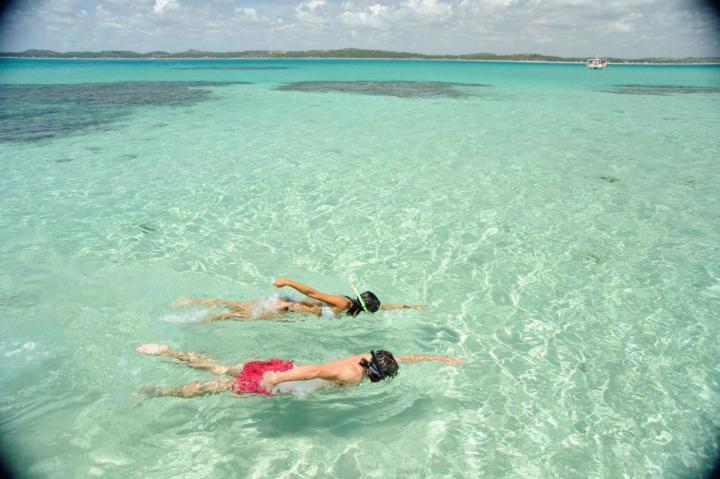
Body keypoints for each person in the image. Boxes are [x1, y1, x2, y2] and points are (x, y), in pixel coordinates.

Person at [136, 344, 464, 398]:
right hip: (285, 380)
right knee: (217, 386)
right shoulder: (352, 376)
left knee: (221, 367)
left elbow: (400, 357)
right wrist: (277, 380)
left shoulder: (365, 357)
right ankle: (159, 392)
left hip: (285, 365)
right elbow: (317, 371)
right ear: (375, 374)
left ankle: (168, 352)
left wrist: (436, 358)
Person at [172, 277, 423, 322]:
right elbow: (312, 294)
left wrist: (407, 307)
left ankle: (197, 304)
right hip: (284, 307)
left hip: (286, 309)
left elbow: (381, 308)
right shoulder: (342, 303)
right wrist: (288, 281)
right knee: (233, 315)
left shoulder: (351, 306)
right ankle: (196, 311)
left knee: (236, 311)